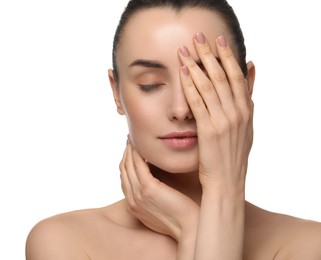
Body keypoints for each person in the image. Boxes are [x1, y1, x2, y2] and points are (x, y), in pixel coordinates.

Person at [25, 0, 321, 259]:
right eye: (150, 84)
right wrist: (191, 230)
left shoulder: (306, 245)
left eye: (205, 78)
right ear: (116, 93)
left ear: (247, 86)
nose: (181, 109)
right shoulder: (64, 242)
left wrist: (221, 193)